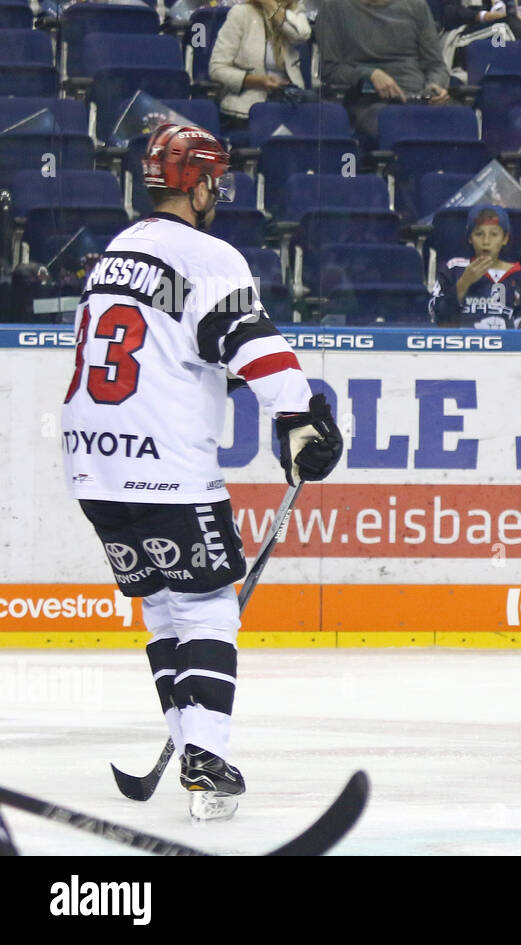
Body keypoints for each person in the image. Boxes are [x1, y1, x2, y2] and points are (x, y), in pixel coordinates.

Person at [61, 124, 344, 821]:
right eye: (215, 179)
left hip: (91, 463)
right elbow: (249, 343)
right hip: (165, 465)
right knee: (210, 603)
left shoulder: (111, 254)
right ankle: (207, 756)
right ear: (201, 183)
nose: (220, 192)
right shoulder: (209, 256)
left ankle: (193, 742)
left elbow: (157, 350)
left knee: (162, 606)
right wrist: (299, 414)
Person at [315, 0, 452, 143]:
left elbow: (436, 65)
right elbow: (330, 70)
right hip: (368, 101)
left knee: (460, 119)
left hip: (419, 97)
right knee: (397, 124)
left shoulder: (416, 5)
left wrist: (435, 86)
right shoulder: (334, 6)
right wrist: (369, 74)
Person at [208, 0, 313, 132]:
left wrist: (273, 8)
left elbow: (302, 35)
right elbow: (217, 69)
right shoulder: (241, 13)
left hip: (290, 105)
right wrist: (256, 81)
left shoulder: (295, 10)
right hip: (246, 110)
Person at [429, 205, 521, 328]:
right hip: (460, 343)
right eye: (479, 234)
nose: (486, 241)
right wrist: (463, 283)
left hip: (504, 344)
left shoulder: (519, 275)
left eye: (494, 234)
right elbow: (436, 314)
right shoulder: (453, 268)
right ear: (470, 237)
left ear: (505, 238)